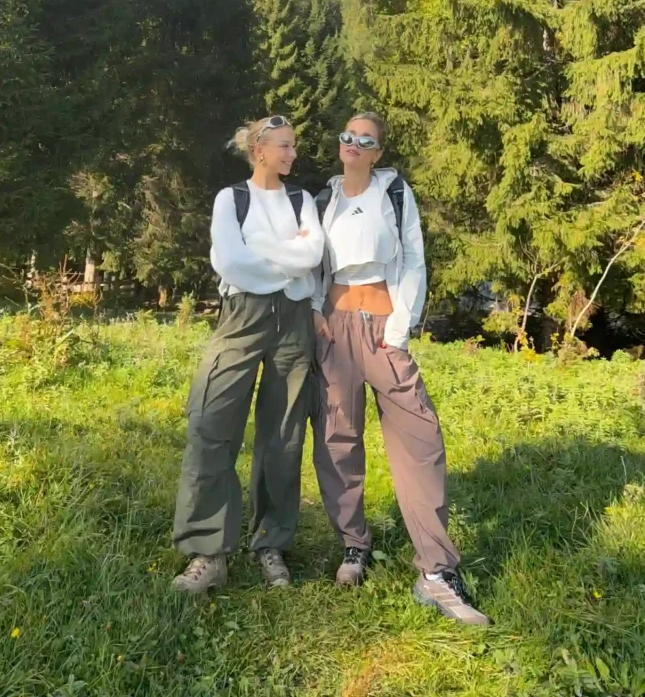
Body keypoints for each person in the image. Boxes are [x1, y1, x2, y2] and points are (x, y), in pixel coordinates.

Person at [310, 112, 489, 626]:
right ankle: (353, 544)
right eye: (346, 135)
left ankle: (435, 570)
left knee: (421, 439)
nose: (352, 143)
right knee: (336, 437)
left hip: (384, 328)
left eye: (364, 139)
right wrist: (315, 313)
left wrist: (399, 328)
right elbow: (309, 266)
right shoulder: (324, 199)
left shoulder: (394, 193)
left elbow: (414, 260)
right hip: (335, 328)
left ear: (378, 151)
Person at [172, 116, 324, 594]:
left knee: (283, 436)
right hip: (242, 315)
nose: (292, 154)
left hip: (295, 323)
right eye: (284, 146)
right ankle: (207, 552)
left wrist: (266, 254)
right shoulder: (230, 199)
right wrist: (286, 258)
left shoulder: (302, 200)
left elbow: (313, 256)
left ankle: (271, 544)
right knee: (210, 421)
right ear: (259, 150)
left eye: (293, 146)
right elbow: (231, 262)